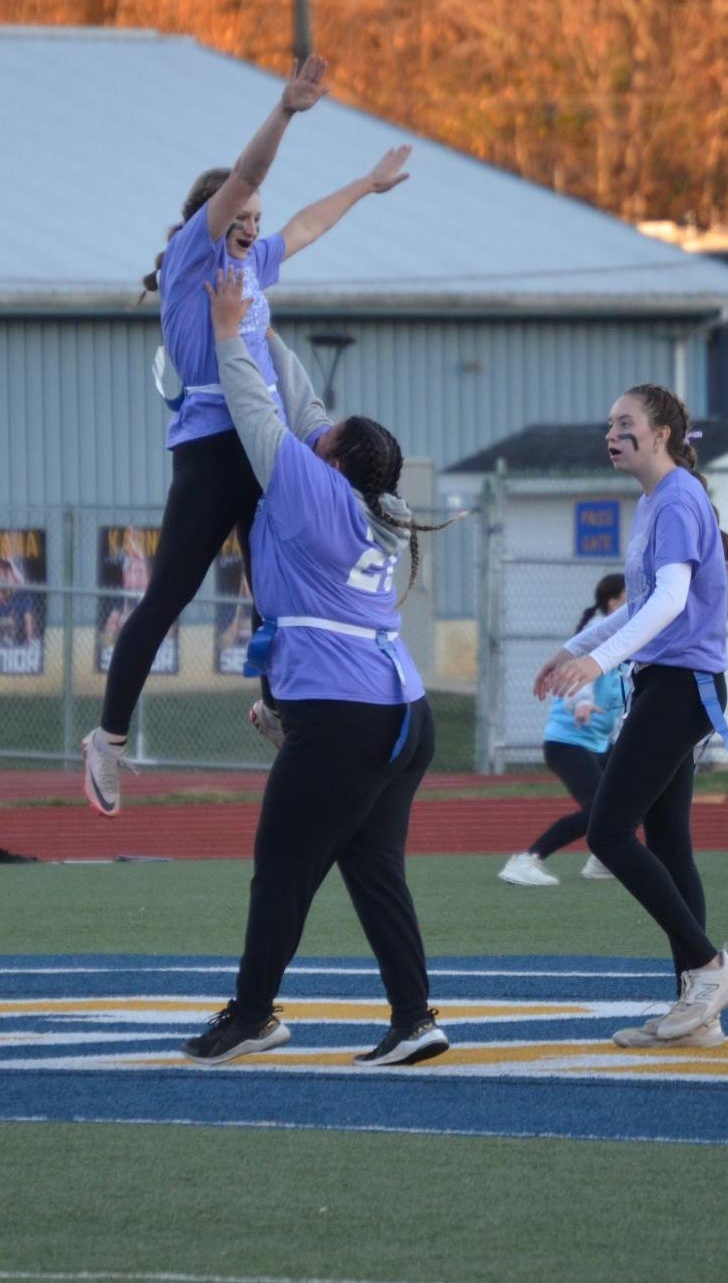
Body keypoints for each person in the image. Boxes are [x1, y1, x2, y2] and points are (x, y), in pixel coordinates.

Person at [82, 54, 413, 816]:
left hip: (263, 442)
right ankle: (108, 737)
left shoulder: (256, 259)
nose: (254, 232)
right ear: (214, 217)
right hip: (210, 449)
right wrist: (287, 111)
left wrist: (366, 184)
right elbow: (249, 170)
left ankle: (272, 705)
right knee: (169, 594)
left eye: (256, 223)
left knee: (276, 592)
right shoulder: (194, 257)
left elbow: (305, 226)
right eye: (242, 219)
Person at [182, 267, 451, 1067]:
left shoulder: (311, 488)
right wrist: (267, 332)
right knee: (373, 871)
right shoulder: (383, 503)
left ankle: (254, 1014)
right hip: (403, 711)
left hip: (346, 715)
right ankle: (414, 1016)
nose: (312, 440)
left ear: (333, 466)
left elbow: (263, 416)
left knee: (282, 868)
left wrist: (230, 333)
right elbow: (308, 412)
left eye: (322, 448)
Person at [534, 382, 728, 1050]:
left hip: (681, 687)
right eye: (609, 424)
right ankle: (698, 1011)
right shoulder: (658, 499)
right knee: (670, 843)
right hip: (668, 683)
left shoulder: (679, 497)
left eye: (625, 423)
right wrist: (576, 646)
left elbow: (667, 605)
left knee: (606, 832)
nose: (612, 434)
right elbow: (641, 605)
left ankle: (711, 970)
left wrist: (595, 666)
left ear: (661, 434)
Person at [498, 573, 627, 886]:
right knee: (598, 809)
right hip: (568, 741)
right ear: (613, 604)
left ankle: (602, 858)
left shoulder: (628, 639)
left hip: (598, 742)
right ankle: (527, 860)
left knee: (627, 799)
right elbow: (573, 676)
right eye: (628, 599)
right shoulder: (598, 633)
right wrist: (580, 703)